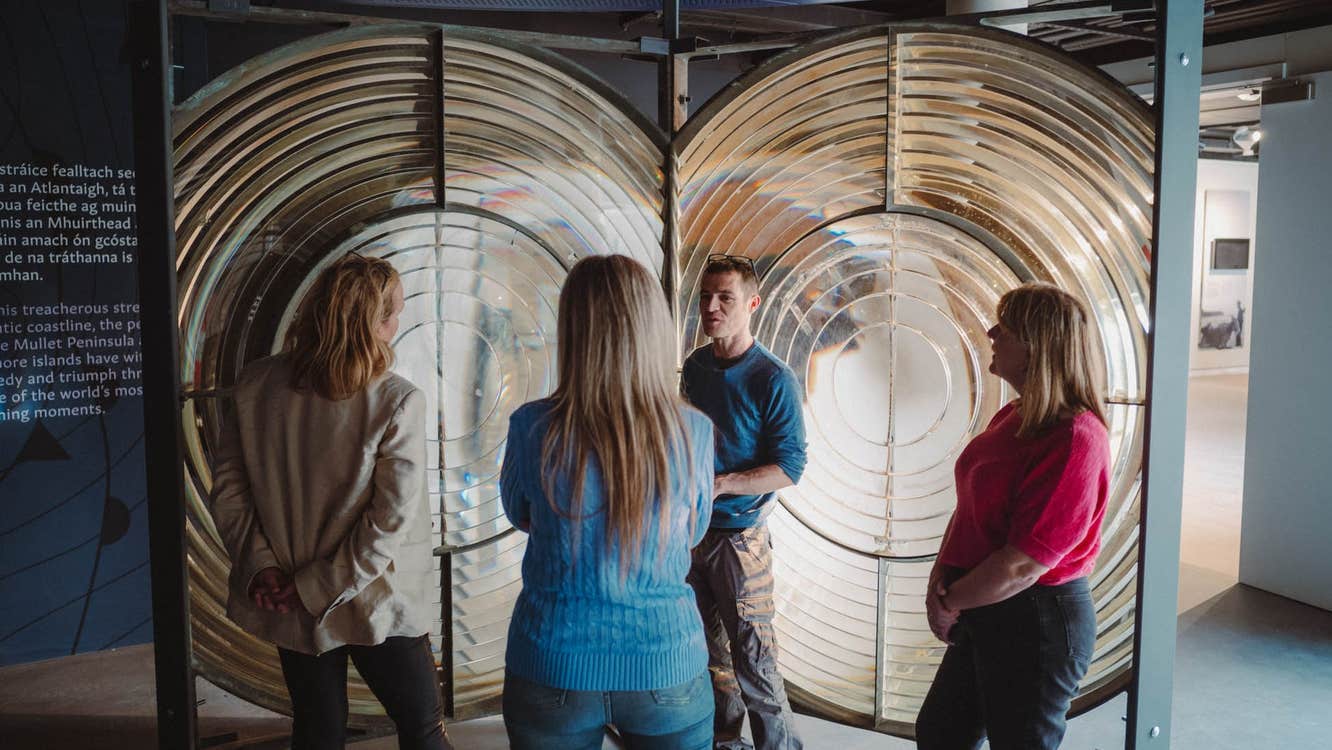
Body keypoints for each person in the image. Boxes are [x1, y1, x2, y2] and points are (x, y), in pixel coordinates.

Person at [209, 254, 451, 750]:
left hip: (286, 596)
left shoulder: (255, 383)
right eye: (394, 313)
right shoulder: (398, 400)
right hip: (378, 597)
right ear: (374, 323)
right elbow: (390, 521)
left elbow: (230, 491)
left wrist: (265, 571)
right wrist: (314, 588)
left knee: (317, 731)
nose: (397, 323)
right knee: (422, 730)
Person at [499, 254, 717, 750]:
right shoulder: (694, 431)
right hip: (666, 661)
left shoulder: (531, 427)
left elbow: (522, 514)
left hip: (552, 659)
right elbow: (693, 531)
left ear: (574, 331)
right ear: (653, 330)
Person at [915, 282, 1111, 750]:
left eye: (1005, 328)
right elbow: (971, 510)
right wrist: (940, 583)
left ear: (1037, 347)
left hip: (1037, 622)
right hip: (989, 604)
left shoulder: (1076, 439)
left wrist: (950, 600)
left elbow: (1024, 564)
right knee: (942, 733)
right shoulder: (1015, 416)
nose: (990, 332)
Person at [681, 254, 807, 750]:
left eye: (725, 297)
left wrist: (719, 484)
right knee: (708, 656)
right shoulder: (694, 365)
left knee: (754, 660)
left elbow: (789, 468)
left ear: (752, 303)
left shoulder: (773, 379)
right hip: (692, 531)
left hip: (740, 539)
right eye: (706, 297)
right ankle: (725, 742)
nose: (711, 307)